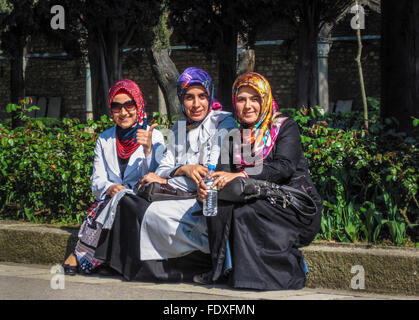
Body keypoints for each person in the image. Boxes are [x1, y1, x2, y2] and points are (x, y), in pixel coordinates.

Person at [196, 72, 323, 290]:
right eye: (241, 99)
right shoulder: (233, 135)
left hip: (292, 202)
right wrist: (207, 188)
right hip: (253, 196)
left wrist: (243, 174)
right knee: (216, 206)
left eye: (254, 99)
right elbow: (222, 173)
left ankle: (286, 273)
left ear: (265, 100)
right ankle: (221, 271)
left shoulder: (283, 127)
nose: (247, 106)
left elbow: (285, 167)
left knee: (245, 213)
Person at [126, 66, 238, 282]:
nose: (196, 104)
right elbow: (162, 169)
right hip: (185, 193)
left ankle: (209, 261)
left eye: (202, 96)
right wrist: (183, 169)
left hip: (209, 195)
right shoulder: (179, 125)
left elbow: (209, 168)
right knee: (142, 208)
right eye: (189, 97)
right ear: (181, 98)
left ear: (210, 95)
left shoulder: (223, 122)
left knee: (157, 214)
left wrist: (174, 175)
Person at [62, 79, 164, 275]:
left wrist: (148, 149)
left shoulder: (154, 136)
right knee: (115, 198)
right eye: (117, 107)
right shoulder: (105, 139)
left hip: (141, 203)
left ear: (139, 105)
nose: (123, 112)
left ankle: (81, 252)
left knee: (122, 199)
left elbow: (158, 177)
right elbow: (97, 180)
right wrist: (109, 188)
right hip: (111, 202)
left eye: (129, 105)